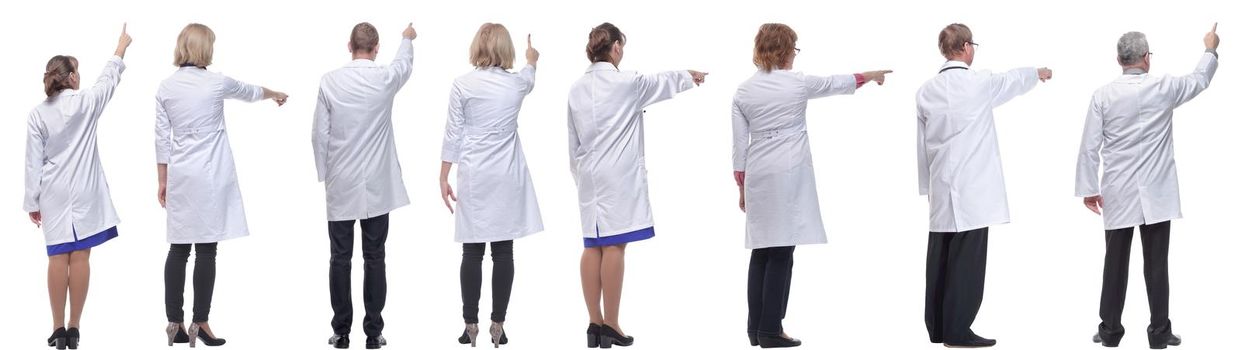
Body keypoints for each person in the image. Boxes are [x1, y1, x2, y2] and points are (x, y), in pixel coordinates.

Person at [731, 23, 891, 349]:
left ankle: (755, 328)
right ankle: (772, 330)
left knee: (762, 250)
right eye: (794, 48)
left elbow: (738, 147)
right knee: (781, 252)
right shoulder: (798, 84)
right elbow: (837, 83)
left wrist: (741, 186)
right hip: (788, 173)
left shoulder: (743, 91)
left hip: (759, 173)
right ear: (785, 49)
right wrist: (870, 75)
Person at [1075, 24, 1220, 349]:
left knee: (1114, 264)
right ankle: (1159, 332)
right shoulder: (1164, 88)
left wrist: (1088, 187)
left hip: (1118, 192)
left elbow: (1089, 146)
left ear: (1118, 59)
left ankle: (1110, 331)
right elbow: (1200, 80)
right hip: (1157, 192)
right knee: (1157, 265)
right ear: (1146, 58)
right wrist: (1210, 49)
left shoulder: (1103, 95)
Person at [567, 22, 707, 348]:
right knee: (615, 244)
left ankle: (593, 323)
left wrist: (579, 175)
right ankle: (611, 324)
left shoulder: (575, 88)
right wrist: (691, 75)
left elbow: (571, 139)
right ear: (615, 47)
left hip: (589, 176)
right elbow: (664, 82)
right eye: (622, 46)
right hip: (618, 176)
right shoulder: (628, 83)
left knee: (592, 245)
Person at [915, 23, 1052, 348]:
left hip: (941, 186)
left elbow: (920, 144)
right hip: (973, 190)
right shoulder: (979, 83)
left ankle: (938, 328)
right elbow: (1013, 80)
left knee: (940, 257)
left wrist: (928, 189)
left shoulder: (925, 91)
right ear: (964, 47)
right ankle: (959, 330)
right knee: (967, 262)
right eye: (972, 45)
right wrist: (1039, 72)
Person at [156, 23, 288, 348]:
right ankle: (200, 322)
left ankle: (174, 320)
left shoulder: (165, 87)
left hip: (181, 177)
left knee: (177, 248)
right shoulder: (216, 83)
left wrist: (162, 180)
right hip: (210, 177)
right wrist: (275, 95)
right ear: (205, 49)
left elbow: (161, 138)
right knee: (206, 250)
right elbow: (250, 91)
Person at [25, 24, 131, 350]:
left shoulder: (37, 114)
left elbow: (33, 161)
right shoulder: (87, 102)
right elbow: (108, 79)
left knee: (58, 257)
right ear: (71, 77)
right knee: (80, 257)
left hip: (52, 191)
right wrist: (121, 47)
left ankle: (57, 327)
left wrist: (32, 201)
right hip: (85, 190)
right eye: (77, 72)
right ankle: (74, 328)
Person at [438, 23, 542, 348]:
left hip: (474, 176)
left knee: (472, 250)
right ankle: (498, 325)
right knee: (503, 252)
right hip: (506, 176)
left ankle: (470, 326)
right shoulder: (516, 85)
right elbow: (529, 76)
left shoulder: (462, 85)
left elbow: (452, 134)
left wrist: (443, 176)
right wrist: (532, 58)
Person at [313, 21, 415, 350]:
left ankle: (341, 331)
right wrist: (407, 38)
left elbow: (319, 135)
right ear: (376, 48)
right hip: (377, 185)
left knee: (339, 258)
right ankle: (373, 333)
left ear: (349, 45)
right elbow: (404, 64)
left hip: (341, 183)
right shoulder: (385, 79)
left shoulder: (329, 82)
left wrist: (324, 175)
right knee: (375, 257)